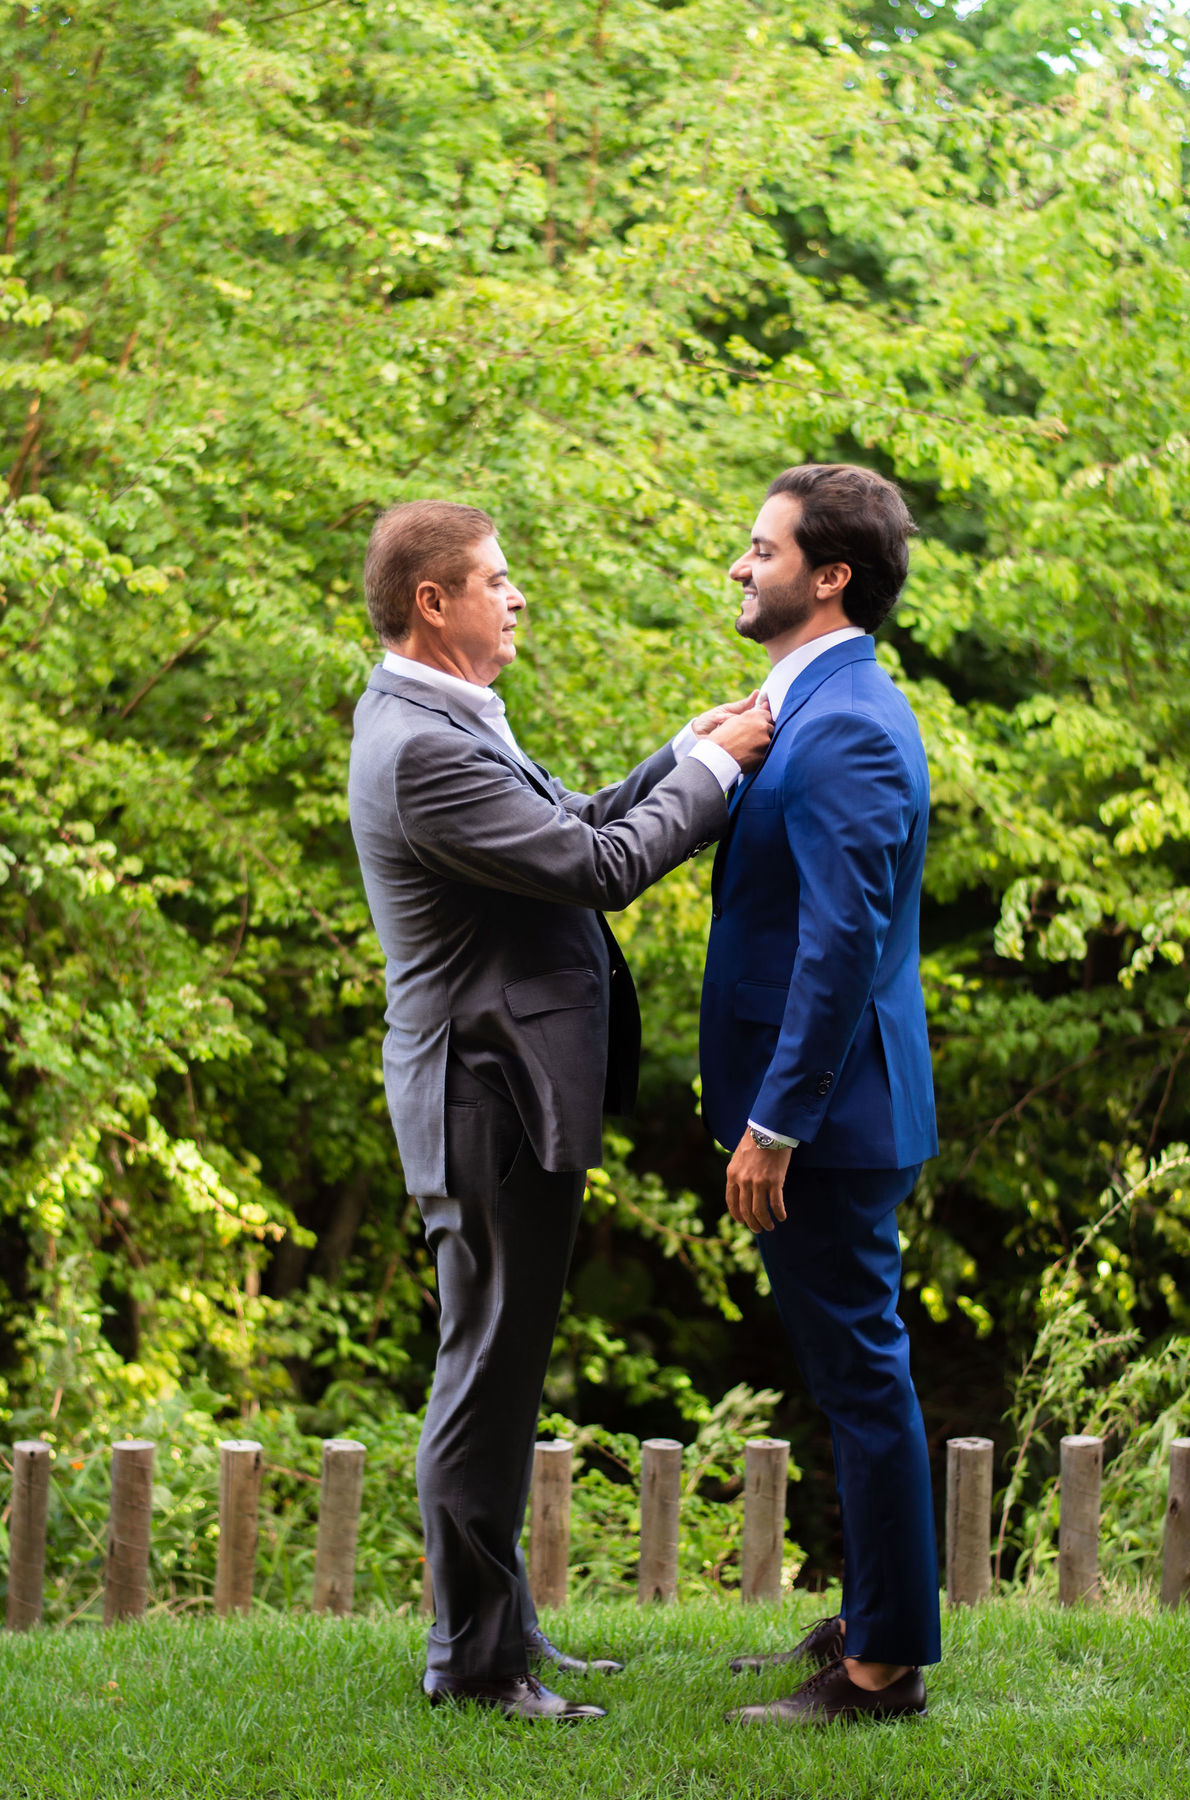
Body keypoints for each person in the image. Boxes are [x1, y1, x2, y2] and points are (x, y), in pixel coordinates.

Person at [347, 499, 771, 1722]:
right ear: (433, 602)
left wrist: (678, 752)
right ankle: (478, 1666)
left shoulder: (437, 716)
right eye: (496, 577)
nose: (516, 593)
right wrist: (713, 773)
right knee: (484, 1374)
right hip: (482, 1096)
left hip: (494, 1088)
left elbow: (565, 824)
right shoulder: (422, 746)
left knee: (499, 1362)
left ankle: (501, 1633)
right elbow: (599, 868)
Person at [699, 464, 940, 1726]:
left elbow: (841, 945)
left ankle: (882, 1668)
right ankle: (870, 1619)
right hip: (825, 1112)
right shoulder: (808, 705)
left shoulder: (844, 722)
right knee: (852, 1376)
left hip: (827, 1121)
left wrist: (776, 1123)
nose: (741, 566)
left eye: (763, 549)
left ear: (830, 575)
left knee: (862, 1380)